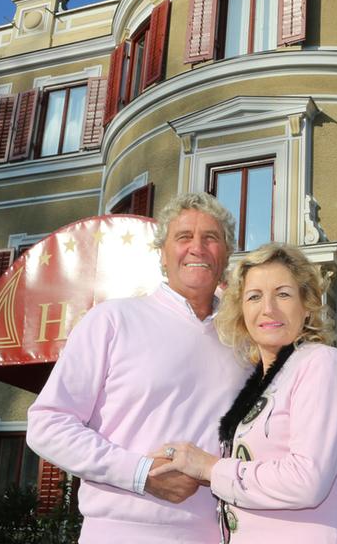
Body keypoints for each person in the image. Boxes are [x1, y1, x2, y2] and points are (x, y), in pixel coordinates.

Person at [26, 193, 250, 543]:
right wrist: (141, 473)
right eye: (183, 237)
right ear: (162, 253)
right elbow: (47, 424)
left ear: (226, 254)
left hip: (218, 535)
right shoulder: (113, 320)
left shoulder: (245, 341)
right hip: (119, 533)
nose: (198, 248)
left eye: (211, 238)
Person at [154, 243, 337, 543]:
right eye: (254, 297)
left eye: (283, 294)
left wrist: (209, 467)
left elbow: (307, 481)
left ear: (306, 305)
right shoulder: (259, 384)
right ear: (242, 311)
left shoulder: (321, 363)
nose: (268, 308)